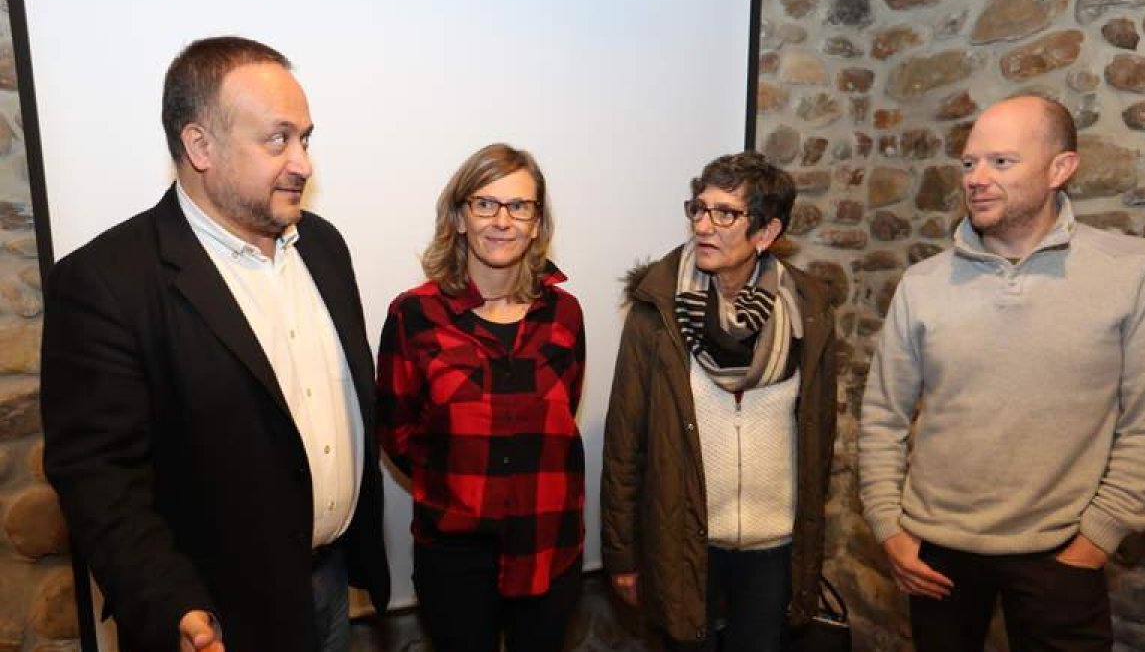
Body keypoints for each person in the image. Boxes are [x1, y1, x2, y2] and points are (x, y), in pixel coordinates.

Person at [41, 36, 389, 652]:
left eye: (305, 138)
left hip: (332, 590)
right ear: (199, 145)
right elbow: (99, 480)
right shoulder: (107, 281)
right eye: (277, 139)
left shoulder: (326, 248)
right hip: (217, 620)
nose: (303, 163)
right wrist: (172, 607)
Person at [858, 95, 1145, 650]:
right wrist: (889, 528)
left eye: (1001, 162)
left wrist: (1096, 539)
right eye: (969, 164)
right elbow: (881, 416)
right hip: (934, 554)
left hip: (1061, 552)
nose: (977, 179)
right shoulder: (923, 282)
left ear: (1061, 168)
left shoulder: (1132, 269)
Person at [601, 151, 839, 651]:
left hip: (773, 547)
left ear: (766, 232)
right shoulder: (656, 310)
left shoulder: (808, 310)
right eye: (699, 209)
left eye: (725, 214)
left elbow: (818, 435)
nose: (705, 226)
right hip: (683, 541)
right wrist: (622, 554)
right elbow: (625, 443)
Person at [375, 143, 585, 652]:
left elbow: (560, 418)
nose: (502, 220)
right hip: (454, 557)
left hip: (548, 549)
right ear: (461, 217)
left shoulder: (565, 315)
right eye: (485, 203)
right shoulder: (413, 315)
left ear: (537, 223)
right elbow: (398, 434)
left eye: (520, 206)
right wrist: (459, 488)